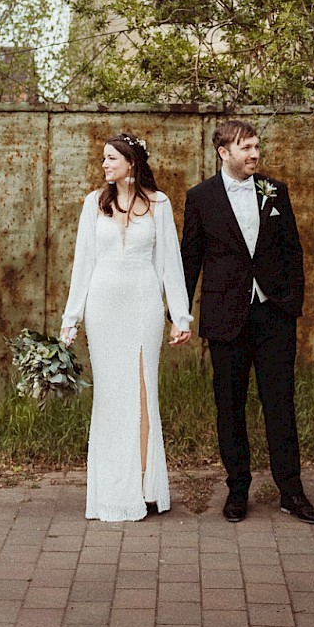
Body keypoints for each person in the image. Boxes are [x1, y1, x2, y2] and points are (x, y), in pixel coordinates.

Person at [181, 119, 314, 525]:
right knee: (230, 406)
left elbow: (292, 251)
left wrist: (290, 303)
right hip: (225, 316)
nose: (255, 154)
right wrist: (181, 313)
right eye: (246, 148)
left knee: (280, 403)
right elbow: (190, 259)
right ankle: (237, 489)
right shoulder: (200, 198)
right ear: (223, 153)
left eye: (257, 146)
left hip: (273, 315)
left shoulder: (276, 191)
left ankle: (291, 492)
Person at [60, 132, 191, 522]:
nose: (105, 165)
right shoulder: (93, 204)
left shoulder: (159, 204)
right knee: (111, 395)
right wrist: (71, 321)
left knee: (142, 389)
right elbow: (82, 264)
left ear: (131, 163)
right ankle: (111, 489)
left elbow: (170, 262)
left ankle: (144, 486)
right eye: (103, 159)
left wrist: (179, 315)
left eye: (112, 158)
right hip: (103, 308)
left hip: (143, 307)